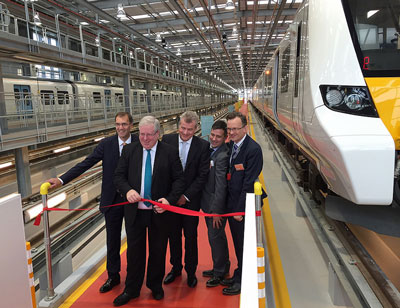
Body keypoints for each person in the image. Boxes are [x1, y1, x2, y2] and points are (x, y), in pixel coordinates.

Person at [46, 112, 138, 293]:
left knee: (134, 240)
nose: (121, 128)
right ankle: (113, 276)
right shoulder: (107, 144)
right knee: (112, 241)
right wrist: (62, 180)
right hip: (111, 201)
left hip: (132, 200)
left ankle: (134, 277)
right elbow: (86, 164)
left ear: (131, 125)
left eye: (124, 124)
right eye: (118, 124)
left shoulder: (139, 142)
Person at [113, 115, 185, 306]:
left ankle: (155, 285)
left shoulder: (169, 152)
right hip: (135, 212)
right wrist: (127, 190)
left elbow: (179, 180)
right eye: (142, 134)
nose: (144, 139)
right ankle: (132, 289)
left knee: (158, 250)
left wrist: (168, 201)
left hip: (158, 212)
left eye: (149, 135)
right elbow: (118, 176)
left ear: (157, 134)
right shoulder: (129, 150)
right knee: (134, 252)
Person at [162, 111, 209, 288]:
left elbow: (202, 176)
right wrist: (172, 197)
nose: (186, 132)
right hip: (171, 203)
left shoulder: (203, 146)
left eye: (190, 129)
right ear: (178, 125)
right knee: (173, 237)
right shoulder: (167, 140)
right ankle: (175, 269)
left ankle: (191, 271)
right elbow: (163, 170)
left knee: (191, 237)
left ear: (196, 128)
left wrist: (186, 196)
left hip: (190, 203)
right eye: (183, 128)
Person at [221, 111, 265, 296]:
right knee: (238, 242)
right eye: (229, 129)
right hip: (232, 202)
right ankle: (240, 272)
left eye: (235, 129)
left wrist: (239, 210)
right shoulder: (231, 146)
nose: (231, 133)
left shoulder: (253, 150)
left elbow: (248, 183)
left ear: (245, 128)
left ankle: (243, 280)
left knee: (243, 244)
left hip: (244, 205)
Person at [200, 120, 230, 287]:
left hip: (215, 207)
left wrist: (217, 211)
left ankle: (219, 272)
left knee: (215, 237)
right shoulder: (211, 151)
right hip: (208, 204)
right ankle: (221, 266)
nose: (214, 139)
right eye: (212, 135)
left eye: (218, 137)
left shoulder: (222, 156)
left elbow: (221, 185)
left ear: (225, 138)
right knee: (217, 237)